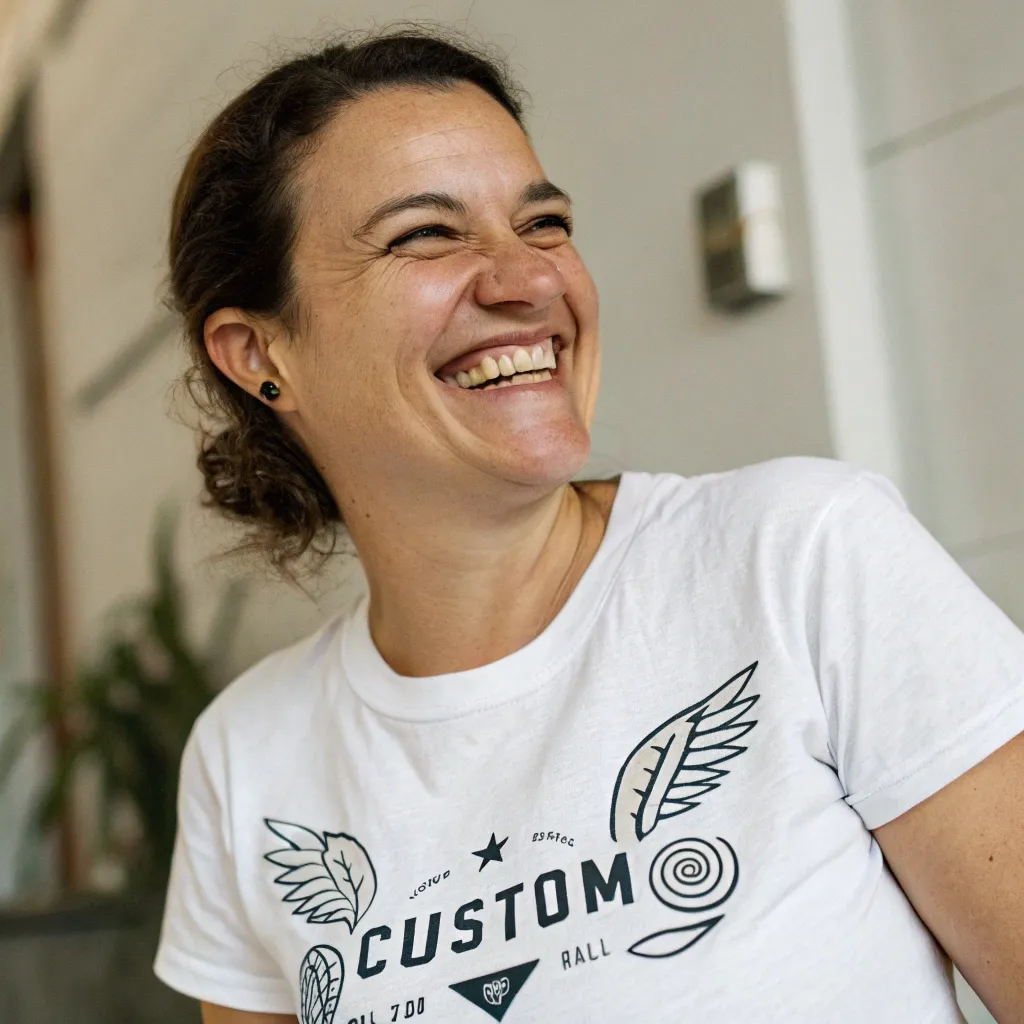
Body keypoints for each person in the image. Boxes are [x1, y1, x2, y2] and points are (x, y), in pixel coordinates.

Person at [153, 27, 1024, 1024]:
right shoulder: (248, 757)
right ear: (260, 351)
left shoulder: (799, 558)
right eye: (425, 234)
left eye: (545, 222)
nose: (524, 278)